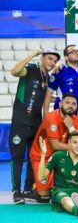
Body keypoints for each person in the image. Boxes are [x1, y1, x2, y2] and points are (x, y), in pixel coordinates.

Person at [9, 48, 60, 203]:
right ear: (43, 58)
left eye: (54, 60)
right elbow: (14, 71)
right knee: (17, 157)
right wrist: (32, 54)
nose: (52, 62)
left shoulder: (47, 77)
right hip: (20, 122)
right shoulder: (31, 69)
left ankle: (27, 189)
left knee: (34, 158)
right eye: (49, 59)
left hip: (36, 124)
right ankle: (16, 191)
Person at [30, 93, 78, 202]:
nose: (70, 106)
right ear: (60, 104)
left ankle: (56, 185)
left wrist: (71, 127)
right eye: (67, 102)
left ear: (77, 107)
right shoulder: (51, 117)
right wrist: (77, 147)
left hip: (61, 156)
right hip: (42, 156)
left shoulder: (76, 120)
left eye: (74, 104)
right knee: (44, 197)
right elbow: (56, 145)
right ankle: (35, 187)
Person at [43, 44, 78, 116]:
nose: (77, 53)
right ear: (66, 57)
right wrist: (46, 116)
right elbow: (48, 94)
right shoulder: (59, 71)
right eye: (73, 52)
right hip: (63, 114)